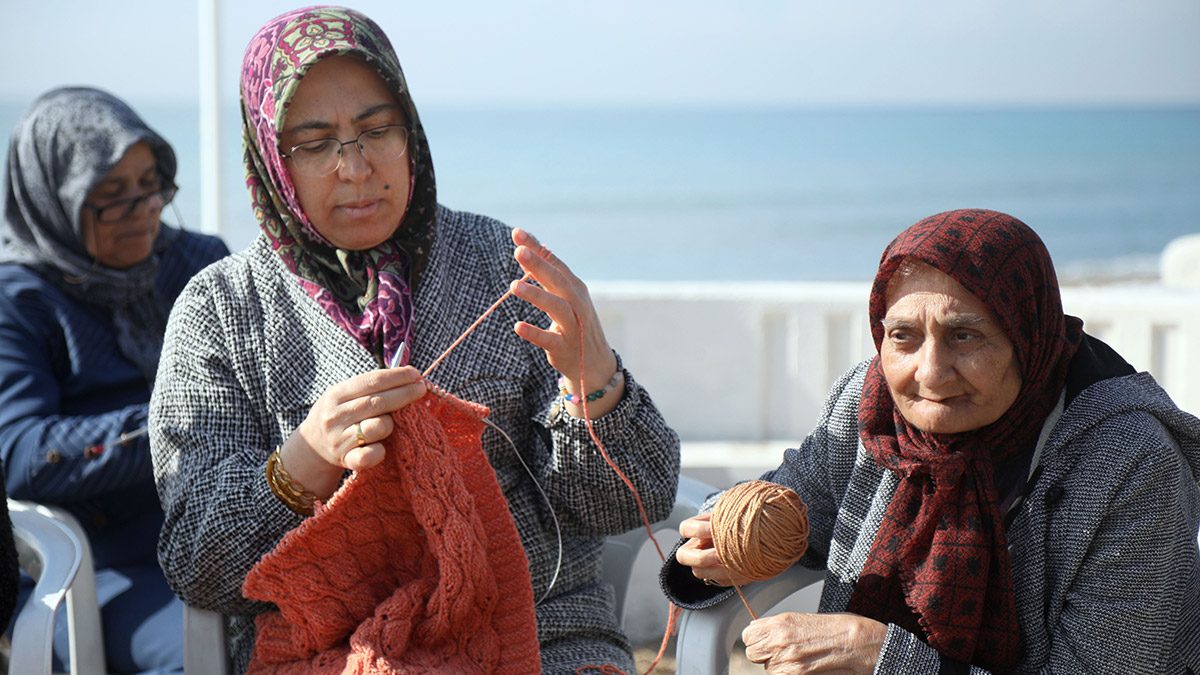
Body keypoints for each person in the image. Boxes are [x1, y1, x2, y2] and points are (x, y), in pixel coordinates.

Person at [148, 6, 681, 674]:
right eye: (314, 143)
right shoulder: (220, 310)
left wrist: (597, 382)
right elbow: (196, 563)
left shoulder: (501, 263)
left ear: (412, 129)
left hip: (541, 636)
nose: (356, 167)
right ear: (269, 157)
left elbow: (632, 500)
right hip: (331, 650)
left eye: (377, 129)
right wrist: (300, 465)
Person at [662, 208, 1200, 673]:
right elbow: (792, 506)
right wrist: (720, 543)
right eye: (903, 337)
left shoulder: (1132, 463)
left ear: (1026, 334)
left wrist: (879, 657)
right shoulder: (870, 407)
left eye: (964, 336)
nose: (931, 374)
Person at [0, 87, 230, 673]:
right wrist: (171, 426)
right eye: (112, 197)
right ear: (56, 200)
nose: (146, 210)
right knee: (209, 653)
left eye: (151, 185)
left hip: (227, 531)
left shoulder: (198, 263)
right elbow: (20, 453)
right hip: (95, 566)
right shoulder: (21, 300)